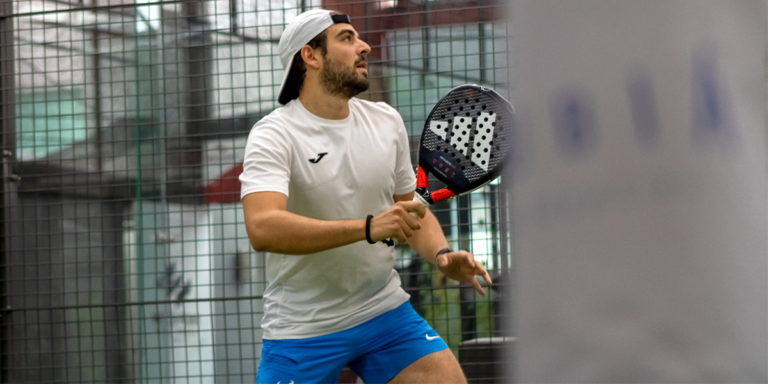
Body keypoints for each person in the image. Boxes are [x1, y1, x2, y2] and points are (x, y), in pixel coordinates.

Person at [239, 9, 492, 384]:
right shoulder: (273, 134)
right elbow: (262, 227)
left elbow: (411, 210)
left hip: (383, 312)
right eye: (346, 38)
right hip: (302, 327)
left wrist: (442, 256)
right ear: (310, 55)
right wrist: (369, 226)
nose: (365, 46)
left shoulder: (385, 120)